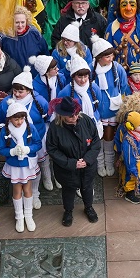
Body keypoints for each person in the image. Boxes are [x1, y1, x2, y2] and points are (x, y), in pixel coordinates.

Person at [45, 96, 100, 226]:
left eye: (76, 114)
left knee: (87, 187)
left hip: (87, 167)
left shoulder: (86, 120)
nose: (74, 118)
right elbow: (52, 149)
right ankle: (68, 211)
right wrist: (72, 163)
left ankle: (89, 208)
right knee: (68, 190)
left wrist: (87, 160)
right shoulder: (55, 127)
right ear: (62, 116)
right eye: (70, 116)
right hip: (67, 169)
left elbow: (96, 142)